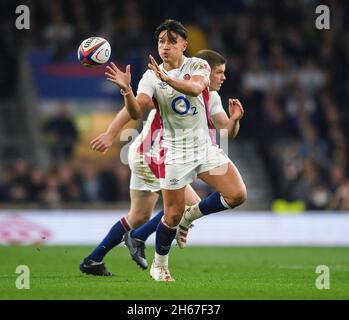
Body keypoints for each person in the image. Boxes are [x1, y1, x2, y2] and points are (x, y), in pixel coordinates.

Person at [105, 19, 246, 281]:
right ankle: (160, 266)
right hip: (174, 151)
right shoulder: (151, 76)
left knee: (237, 195)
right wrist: (127, 91)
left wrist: (234, 119)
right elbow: (138, 110)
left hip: (204, 147)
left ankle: (192, 214)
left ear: (184, 44)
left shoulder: (198, 65)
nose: (165, 46)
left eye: (171, 41)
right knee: (170, 215)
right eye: (160, 41)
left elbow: (195, 89)